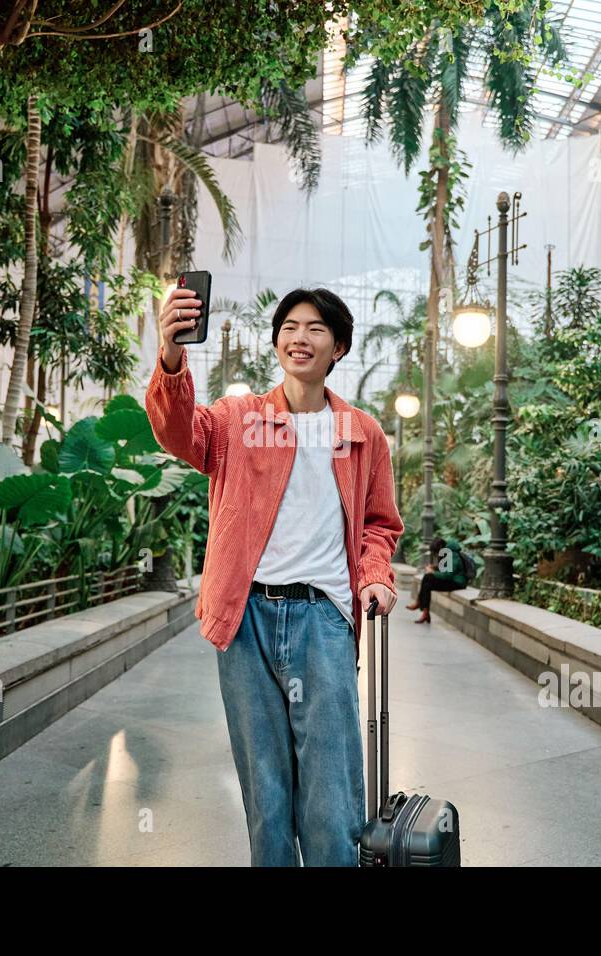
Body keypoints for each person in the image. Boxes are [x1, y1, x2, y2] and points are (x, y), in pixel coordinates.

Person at [145, 284, 403, 867]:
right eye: (289, 326)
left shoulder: (363, 433)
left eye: (315, 328)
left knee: (333, 788)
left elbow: (379, 525)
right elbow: (176, 431)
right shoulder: (238, 420)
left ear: (338, 346)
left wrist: (375, 575)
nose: (299, 337)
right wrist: (169, 353)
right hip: (245, 620)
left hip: (323, 619)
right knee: (264, 788)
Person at [405, 536, 469, 624]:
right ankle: (424, 610)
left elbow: (448, 575)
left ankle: (422, 608)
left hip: (458, 583)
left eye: (436, 552)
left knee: (428, 581)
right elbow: (446, 568)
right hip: (452, 580)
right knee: (427, 578)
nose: (437, 555)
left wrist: (433, 572)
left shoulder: (451, 554)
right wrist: (434, 568)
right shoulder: (447, 551)